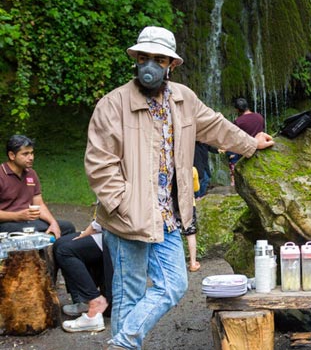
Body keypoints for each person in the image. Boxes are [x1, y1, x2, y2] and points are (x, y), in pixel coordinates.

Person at [85, 26, 275, 350]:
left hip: (170, 216)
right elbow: (99, 165)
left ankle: (122, 343)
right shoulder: (112, 105)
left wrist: (250, 144)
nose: (150, 65)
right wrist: (122, 205)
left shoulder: (184, 99)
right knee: (128, 292)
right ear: (136, 60)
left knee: (173, 285)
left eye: (159, 59)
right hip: (127, 216)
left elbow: (215, 126)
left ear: (171, 64)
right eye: (144, 57)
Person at [0, 135, 75, 238]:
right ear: (12, 155)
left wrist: (53, 223)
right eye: (25, 154)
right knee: (31, 232)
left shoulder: (31, 173)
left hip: (29, 222)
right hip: (6, 224)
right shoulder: (1, 174)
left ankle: (58, 253)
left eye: (31, 153)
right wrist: (17, 216)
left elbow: (39, 204)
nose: (31, 158)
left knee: (67, 227)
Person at [54, 217, 110, 333]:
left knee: (65, 251)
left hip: (115, 232)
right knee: (60, 243)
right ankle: (82, 301)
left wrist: (92, 229)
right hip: (107, 228)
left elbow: (110, 208)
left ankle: (95, 305)